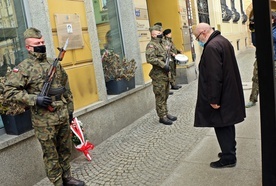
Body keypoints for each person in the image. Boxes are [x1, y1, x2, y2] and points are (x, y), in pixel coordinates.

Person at [4, 27, 85, 186]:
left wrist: (70, 110)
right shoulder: (23, 68)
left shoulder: (53, 63)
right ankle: (57, 182)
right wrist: (35, 99)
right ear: (28, 47)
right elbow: (9, 91)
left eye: (42, 41)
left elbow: (66, 88)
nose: (41, 45)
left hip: (61, 113)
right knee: (51, 154)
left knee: (65, 149)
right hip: (43, 120)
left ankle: (67, 177)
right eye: (37, 43)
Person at [192, 23, 246, 168]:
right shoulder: (222, 40)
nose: (198, 40)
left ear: (203, 32)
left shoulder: (211, 47)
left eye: (197, 37)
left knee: (222, 125)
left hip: (221, 95)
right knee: (227, 123)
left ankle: (229, 157)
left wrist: (213, 99)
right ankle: (229, 150)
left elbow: (214, 75)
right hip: (228, 91)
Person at [145, 25, 177, 125]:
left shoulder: (163, 43)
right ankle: (162, 116)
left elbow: (168, 49)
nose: (160, 34)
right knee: (160, 95)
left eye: (161, 32)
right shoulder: (151, 45)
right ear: (153, 34)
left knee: (166, 94)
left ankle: (166, 113)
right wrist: (163, 65)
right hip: (158, 74)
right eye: (158, 33)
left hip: (166, 74)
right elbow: (150, 59)